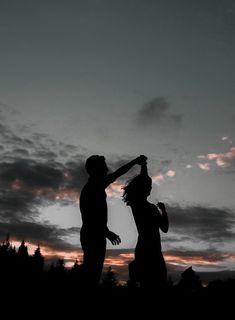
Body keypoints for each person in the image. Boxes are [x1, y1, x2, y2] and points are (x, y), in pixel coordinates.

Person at [79, 154, 147, 287]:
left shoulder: (95, 185)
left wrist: (105, 232)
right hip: (93, 235)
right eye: (103, 167)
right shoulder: (93, 187)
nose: (106, 170)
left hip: (94, 234)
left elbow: (117, 173)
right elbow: (90, 217)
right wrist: (107, 232)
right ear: (95, 169)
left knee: (93, 273)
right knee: (91, 274)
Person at [122, 160, 169, 289]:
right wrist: (144, 166)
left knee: (155, 283)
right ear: (142, 188)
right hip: (147, 250)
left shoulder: (147, 207)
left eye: (151, 186)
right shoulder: (138, 205)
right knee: (151, 284)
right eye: (149, 186)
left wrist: (163, 211)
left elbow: (164, 228)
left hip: (152, 249)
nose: (150, 189)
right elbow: (165, 228)